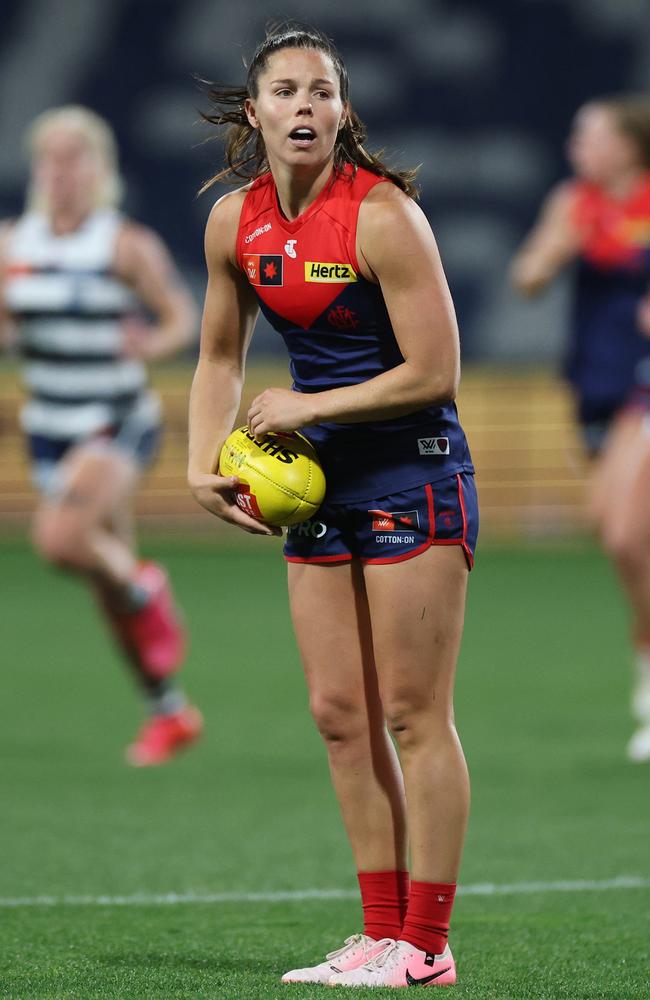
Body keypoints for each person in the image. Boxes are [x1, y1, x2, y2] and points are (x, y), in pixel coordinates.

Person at [188, 23, 478, 988]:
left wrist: (308, 403)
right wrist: (201, 461)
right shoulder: (235, 221)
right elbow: (219, 356)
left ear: (342, 111)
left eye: (321, 91)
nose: (304, 107)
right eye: (285, 91)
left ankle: (427, 949)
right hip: (320, 484)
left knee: (412, 714)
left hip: (413, 470)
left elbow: (436, 373)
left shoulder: (385, 216)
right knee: (339, 715)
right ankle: (378, 932)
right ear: (255, 110)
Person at [0, 105, 203, 766]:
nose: (61, 171)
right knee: (104, 585)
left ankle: (151, 587)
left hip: (114, 416)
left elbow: (180, 316)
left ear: (99, 169)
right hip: (49, 425)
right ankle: (169, 710)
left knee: (62, 542)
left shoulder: (123, 244)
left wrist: (153, 341)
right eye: (50, 158)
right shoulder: (13, 245)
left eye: (75, 157)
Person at [511, 95, 650, 762]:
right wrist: (555, 251)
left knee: (623, 530)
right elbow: (528, 276)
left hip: (643, 385)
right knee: (623, 540)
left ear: (628, 144)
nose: (577, 146)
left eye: (590, 135)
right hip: (593, 386)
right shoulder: (575, 204)